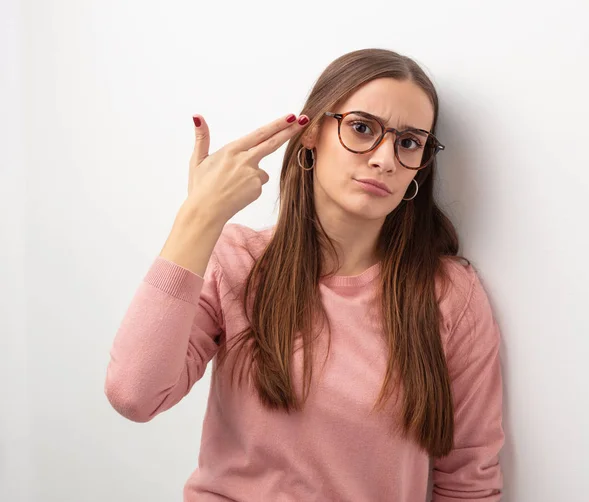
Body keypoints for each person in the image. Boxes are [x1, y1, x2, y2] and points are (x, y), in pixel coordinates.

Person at [104, 48, 505, 501]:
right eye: (362, 128)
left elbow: (470, 478)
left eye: (409, 142)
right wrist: (198, 217)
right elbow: (133, 395)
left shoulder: (448, 295)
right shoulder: (238, 261)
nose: (385, 158)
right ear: (312, 132)